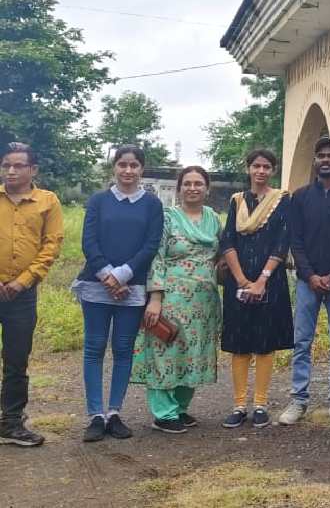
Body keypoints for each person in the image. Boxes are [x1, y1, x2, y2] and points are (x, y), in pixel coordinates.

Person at [76, 144, 164, 442]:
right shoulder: (98, 200)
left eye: (134, 165)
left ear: (142, 169)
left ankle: (114, 412)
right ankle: (95, 415)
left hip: (132, 288)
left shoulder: (152, 204)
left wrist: (123, 274)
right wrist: (108, 276)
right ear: (114, 167)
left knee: (123, 349)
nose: (128, 170)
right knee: (94, 347)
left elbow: (151, 245)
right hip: (96, 285)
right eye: (122, 164)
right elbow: (89, 242)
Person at [279, 137, 330, 427]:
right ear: (315, 161)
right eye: (321, 155)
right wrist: (311, 275)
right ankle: (298, 400)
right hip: (307, 282)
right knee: (302, 341)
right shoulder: (301, 197)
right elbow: (295, 240)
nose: (326, 159)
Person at [132, 166, 222, 434]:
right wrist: (155, 298)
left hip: (204, 301)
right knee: (166, 351)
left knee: (193, 353)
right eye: (187, 183)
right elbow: (157, 257)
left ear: (207, 188)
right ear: (179, 188)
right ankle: (163, 413)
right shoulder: (167, 218)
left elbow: (220, 257)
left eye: (198, 183)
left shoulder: (213, 219)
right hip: (172, 297)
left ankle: (180, 408)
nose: (193, 188)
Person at [219, 149, 292, 429]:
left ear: (273, 170)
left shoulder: (282, 200)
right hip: (238, 280)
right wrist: (241, 280)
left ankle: (260, 404)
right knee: (239, 342)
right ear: (248, 168)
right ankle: (239, 405)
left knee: (264, 343)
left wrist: (262, 280)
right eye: (256, 166)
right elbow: (228, 240)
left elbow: (282, 242)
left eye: (266, 166)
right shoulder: (236, 201)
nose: (261, 171)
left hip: (270, 281)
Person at [0, 143, 62, 447]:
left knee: (16, 360)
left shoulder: (47, 201)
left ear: (33, 169)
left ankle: (10, 423)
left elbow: (51, 245)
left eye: (18, 165)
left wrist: (23, 281)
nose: (11, 171)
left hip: (21, 296)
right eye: (6, 165)